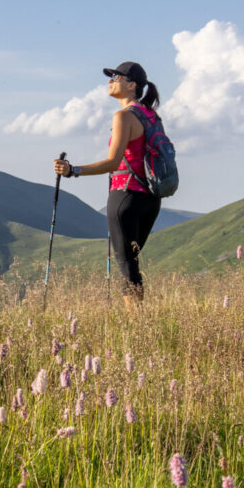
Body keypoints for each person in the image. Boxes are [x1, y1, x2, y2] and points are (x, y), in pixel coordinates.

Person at [53, 61, 162, 311]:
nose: (110, 81)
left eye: (116, 77)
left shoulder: (123, 116)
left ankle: (136, 324)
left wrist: (73, 170)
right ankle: (139, 320)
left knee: (127, 265)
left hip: (125, 195)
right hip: (151, 198)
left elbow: (113, 161)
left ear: (132, 85)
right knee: (131, 261)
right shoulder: (151, 116)